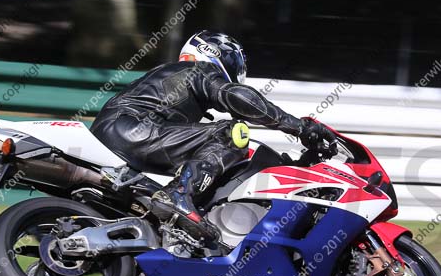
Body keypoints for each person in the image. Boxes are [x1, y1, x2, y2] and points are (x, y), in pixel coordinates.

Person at [91, 30, 335, 242]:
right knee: (232, 133)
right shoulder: (199, 70)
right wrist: (297, 126)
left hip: (119, 134)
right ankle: (179, 193)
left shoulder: (168, 75)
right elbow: (237, 96)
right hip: (133, 130)